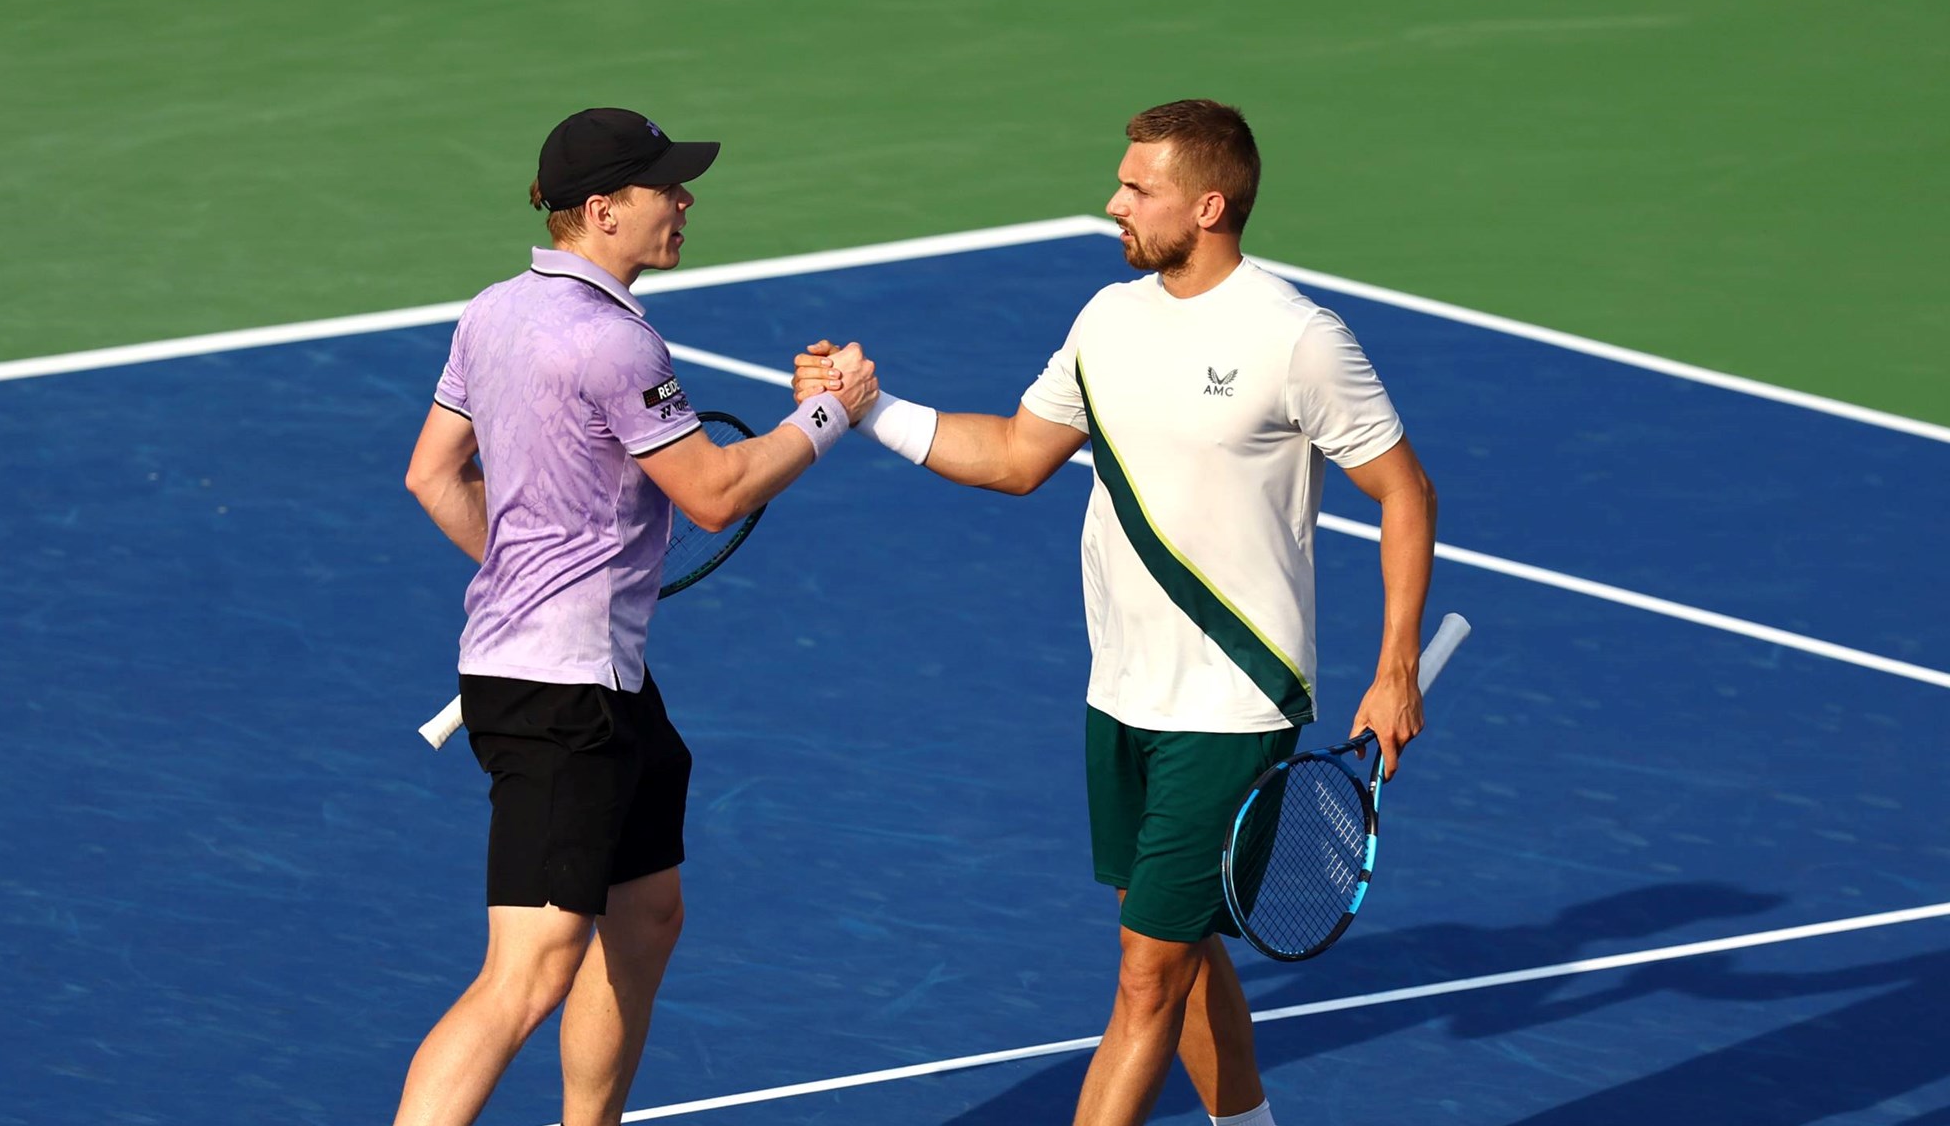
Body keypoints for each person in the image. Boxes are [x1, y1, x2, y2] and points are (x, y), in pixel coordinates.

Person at [793, 99, 1436, 1126]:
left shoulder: (1296, 340)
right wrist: (868, 412)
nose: (1113, 202)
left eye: (1139, 189)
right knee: (1176, 946)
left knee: (1144, 983)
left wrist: (1393, 664)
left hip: (1231, 706)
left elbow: (1402, 491)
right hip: (1122, 693)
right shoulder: (1105, 318)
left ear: (1210, 203)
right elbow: (1013, 455)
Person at [397, 107, 876, 1126]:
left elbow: (431, 474)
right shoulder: (615, 342)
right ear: (603, 210)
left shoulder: (493, 310)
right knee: (525, 975)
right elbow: (710, 491)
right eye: (665, 187)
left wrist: (535, 571)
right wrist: (830, 415)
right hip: (559, 699)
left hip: (590, 684)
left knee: (645, 915)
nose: (684, 200)